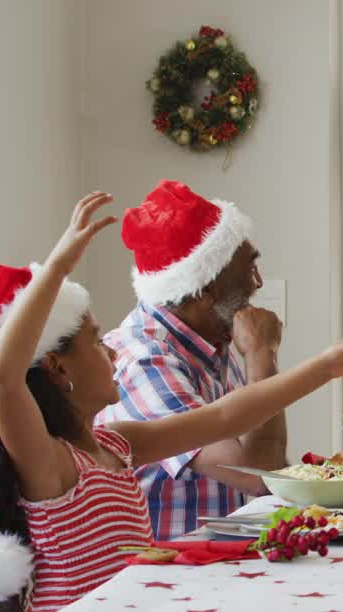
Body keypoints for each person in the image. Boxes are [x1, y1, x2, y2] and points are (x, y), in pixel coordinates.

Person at [0, 192, 343, 612]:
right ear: (57, 367)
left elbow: (228, 415)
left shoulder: (118, 444)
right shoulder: (50, 468)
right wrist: (59, 266)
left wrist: (326, 366)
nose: (114, 351)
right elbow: (0, 379)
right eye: (97, 341)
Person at [98, 180, 286, 540]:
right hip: (167, 579)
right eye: (249, 270)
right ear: (204, 292)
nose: (258, 283)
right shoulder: (143, 361)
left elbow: (267, 460)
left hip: (224, 564)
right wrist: (264, 355)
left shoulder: (213, 338)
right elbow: (260, 472)